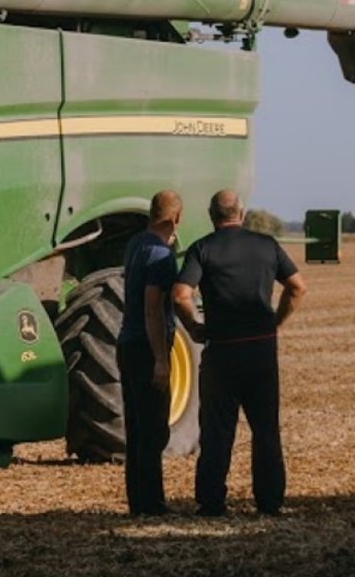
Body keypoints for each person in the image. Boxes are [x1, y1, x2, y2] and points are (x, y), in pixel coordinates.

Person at [173, 189, 307, 517]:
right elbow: (297, 287)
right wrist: (274, 323)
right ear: (242, 213)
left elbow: (179, 295)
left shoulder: (202, 249)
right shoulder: (267, 246)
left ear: (211, 215)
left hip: (221, 352)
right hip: (261, 351)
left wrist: (194, 326)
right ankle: (270, 502)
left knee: (217, 430)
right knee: (265, 429)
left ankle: (211, 502)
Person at [118, 189, 188, 516]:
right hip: (146, 347)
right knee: (154, 429)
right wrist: (161, 359)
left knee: (136, 428)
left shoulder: (135, 245)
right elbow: (152, 310)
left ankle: (138, 500)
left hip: (125, 343)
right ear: (176, 218)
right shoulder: (161, 256)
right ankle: (152, 503)